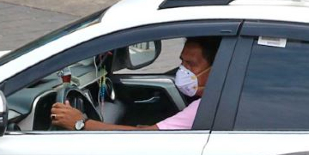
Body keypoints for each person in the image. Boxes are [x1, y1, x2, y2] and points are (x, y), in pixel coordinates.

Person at [50, 37, 219, 131]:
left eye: (191, 64)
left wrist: (80, 123)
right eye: (182, 62)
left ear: (217, 68)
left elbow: (146, 138)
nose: (182, 70)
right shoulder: (220, 100)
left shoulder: (206, 108)